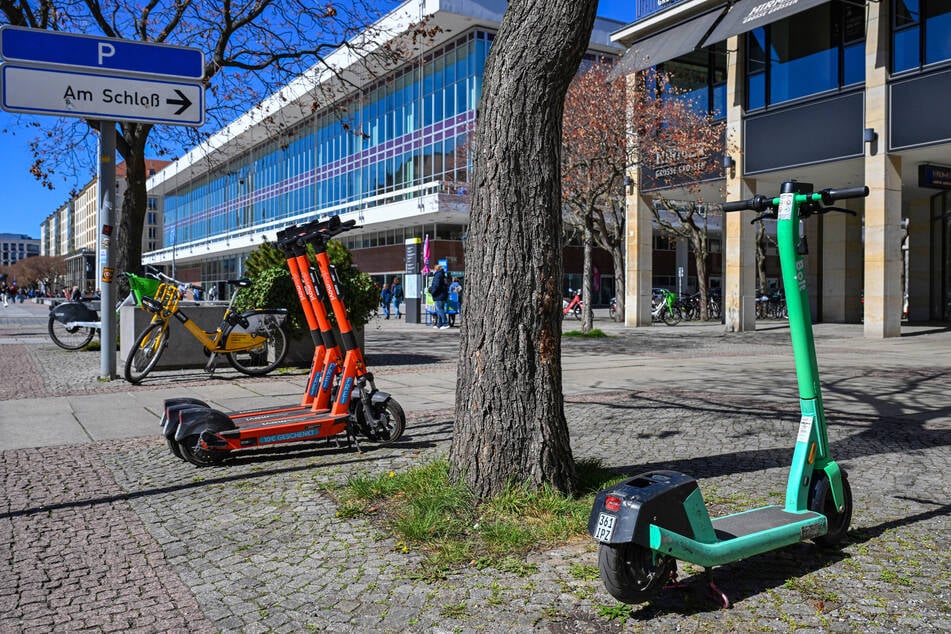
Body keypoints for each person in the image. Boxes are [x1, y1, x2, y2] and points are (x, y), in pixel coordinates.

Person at [429, 264, 450, 329]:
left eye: (434, 269)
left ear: (436, 269)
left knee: (439, 309)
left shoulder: (438, 275)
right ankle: (439, 324)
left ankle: (445, 323)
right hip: (442, 294)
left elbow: (436, 285)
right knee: (439, 310)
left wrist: (432, 291)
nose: (433, 271)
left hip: (438, 295)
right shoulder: (443, 275)